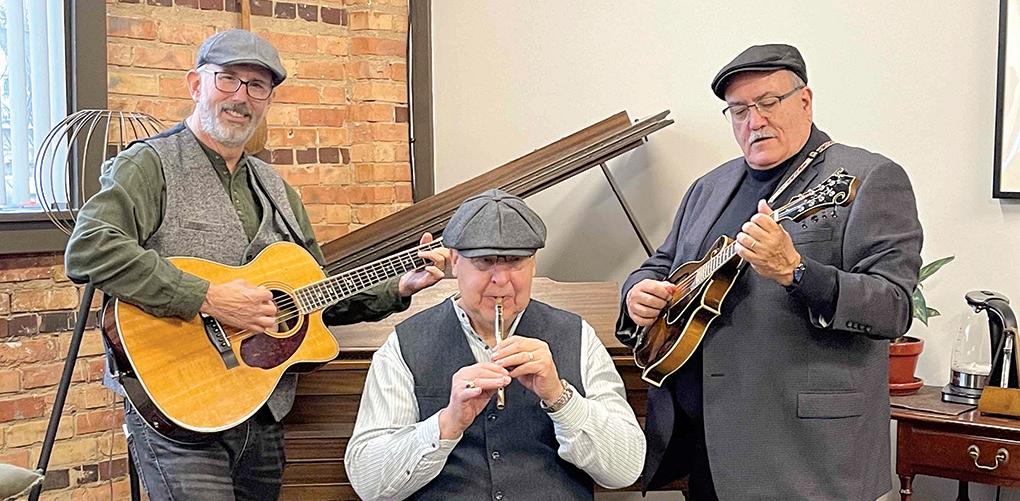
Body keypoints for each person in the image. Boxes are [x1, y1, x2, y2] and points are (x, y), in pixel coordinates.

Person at [64, 29, 446, 501]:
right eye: (228, 79)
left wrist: (399, 286)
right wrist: (208, 297)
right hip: (180, 412)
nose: (241, 97)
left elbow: (314, 296)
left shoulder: (276, 188)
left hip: (262, 414)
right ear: (196, 84)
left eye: (257, 86)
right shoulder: (149, 165)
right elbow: (90, 248)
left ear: (268, 100)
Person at [616, 44, 923, 500]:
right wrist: (637, 291)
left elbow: (892, 308)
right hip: (709, 453)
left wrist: (797, 271)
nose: (754, 120)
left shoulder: (868, 178)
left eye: (768, 102)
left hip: (807, 461)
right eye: (739, 110)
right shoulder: (708, 187)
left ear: (805, 101)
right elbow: (661, 263)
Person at [345, 189, 645, 500]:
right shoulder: (404, 344)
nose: (500, 280)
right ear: (455, 262)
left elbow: (625, 470)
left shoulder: (578, 335)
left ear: (533, 264)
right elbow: (369, 484)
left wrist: (560, 398)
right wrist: (447, 424)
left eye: (514, 261)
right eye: (484, 261)